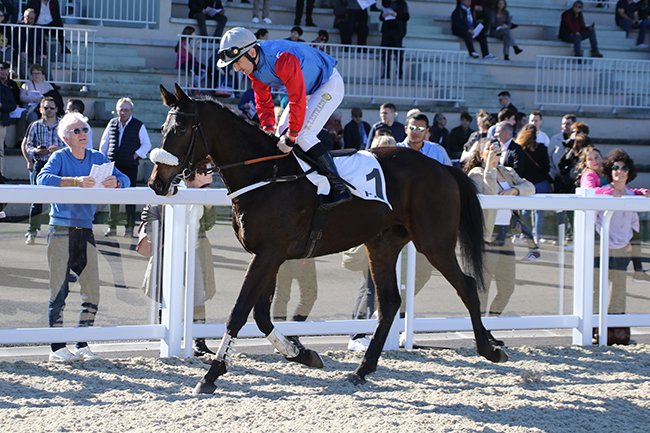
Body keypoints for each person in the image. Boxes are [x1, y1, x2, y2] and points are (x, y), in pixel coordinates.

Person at [216, 27, 351, 209]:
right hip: (306, 89)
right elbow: (263, 101)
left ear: (252, 52)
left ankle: (339, 187)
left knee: (303, 135)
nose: (236, 68)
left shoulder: (283, 59)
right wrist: (268, 129)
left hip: (327, 84)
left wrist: (292, 137)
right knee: (280, 133)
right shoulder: (252, 67)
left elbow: (296, 100)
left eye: (237, 61)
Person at [36, 111, 130, 362]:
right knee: (59, 291)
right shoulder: (59, 156)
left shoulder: (97, 157)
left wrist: (115, 183)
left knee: (92, 290)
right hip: (60, 230)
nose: (82, 134)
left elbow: (126, 179)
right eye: (76, 131)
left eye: (85, 129)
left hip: (85, 230)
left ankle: (81, 343)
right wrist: (74, 181)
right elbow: (42, 178)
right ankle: (57, 348)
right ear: (65, 137)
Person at [141, 157, 218, 357]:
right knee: (166, 294)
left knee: (198, 295)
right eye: (208, 170)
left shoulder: (207, 194)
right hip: (169, 249)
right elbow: (149, 212)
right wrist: (158, 238)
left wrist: (209, 208)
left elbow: (208, 225)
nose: (211, 174)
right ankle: (165, 336)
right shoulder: (173, 187)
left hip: (196, 249)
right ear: (197, 173)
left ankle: (199, 341)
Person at [466, 137, 535, 321]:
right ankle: (479, 325)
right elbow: (489, 195)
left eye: (497, 149)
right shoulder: (476, 173)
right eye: (490, 149)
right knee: (484, 286)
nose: (494, 152)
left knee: (507, 287)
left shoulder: (508, 171)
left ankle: (491, 322)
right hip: (487, 235)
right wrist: (489, 168)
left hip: (506, 235)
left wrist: (514, 191)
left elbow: (530, 187)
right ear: (481, 154)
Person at [593, 149, 650, 345]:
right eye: (616, 167)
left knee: (619, 289)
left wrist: (640, 193)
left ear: (629, 172)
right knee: (597, 288)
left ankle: (617, 332)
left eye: (624, 168)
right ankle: (595, 329)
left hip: (621, 247)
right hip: (600, 246)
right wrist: (608, 193)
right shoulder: (602, 191)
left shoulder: (632, 194)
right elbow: (594, 205)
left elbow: (634, 224)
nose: (620, 171)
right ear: (610, 171)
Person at [579, 146, 650, 282]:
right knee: (597, 284)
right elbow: (589, 192)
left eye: (597, 157)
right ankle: (638, 270)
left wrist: (639, 192)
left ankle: (638, 270)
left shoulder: (603, 176)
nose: (595, 161)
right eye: (590, 159)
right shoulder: (589, 175)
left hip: (620, 241)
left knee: (619, 285)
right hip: (600, 237)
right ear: (585, 163)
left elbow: (624, 190)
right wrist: (608, 192)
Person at [99, 97, 152, 237]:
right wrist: (103, 160)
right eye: (121, 110)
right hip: (113, 165)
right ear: (117, 110)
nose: (123, 112)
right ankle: (112, 227)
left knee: (130, 197)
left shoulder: (138, 125)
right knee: (113, 197)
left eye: (126, 110)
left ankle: (129, 228)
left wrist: (135, 156)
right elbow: (104, 143)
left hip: (130, 166)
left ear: (131, 111)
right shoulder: (112, 123)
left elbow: (147, 145)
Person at [24, 96, 63, 245]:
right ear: (41, 109)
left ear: (56, 109)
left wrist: (58, 149)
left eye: (51, 108)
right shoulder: (35, 126)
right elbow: (28, 145)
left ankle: (58, 232)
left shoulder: (63, 125)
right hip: (40, 164)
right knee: (36, 200)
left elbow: (70, 145)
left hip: (58, 165)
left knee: (59, 199)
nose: (49, 110)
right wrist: (36, 151)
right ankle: (32, 231)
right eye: (46, 108)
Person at [513, 124, 548, 257]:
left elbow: (520, 169)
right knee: (539, 212)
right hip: (541, 182)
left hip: (526, 184)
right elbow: (546, 167)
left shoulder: (519, 148)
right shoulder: (542, 148)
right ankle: (537, 236)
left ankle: (525, 236)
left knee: (524, 212)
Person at [378, 0, 409, 79]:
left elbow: (406, 16)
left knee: (398, 53)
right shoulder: (386, 2)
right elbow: (381, 17)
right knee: (385, 53)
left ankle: (399, 73)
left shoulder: (402, 3)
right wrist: (383, 15)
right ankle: (386, 73)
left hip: (397, 31)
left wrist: (396, 14)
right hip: (387, 30)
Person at [0, 60, 16, 177]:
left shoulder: (5, 88)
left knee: (0, 150)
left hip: (1, 122)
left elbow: (12, 105)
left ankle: (0, 174)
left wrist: (1, 106)